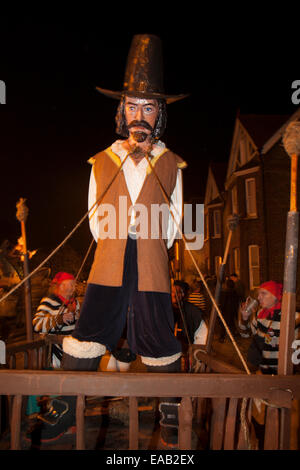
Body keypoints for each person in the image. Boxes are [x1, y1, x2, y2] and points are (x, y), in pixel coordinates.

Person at [35, 34, 189, 447]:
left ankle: (170, 411)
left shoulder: (172, 163)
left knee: (158, 330)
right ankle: (64, 410)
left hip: (153, 260)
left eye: (150, 107)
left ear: (160, 115)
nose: (141, 114)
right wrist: (121, 233)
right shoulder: (102, 160)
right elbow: (93, 218)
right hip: (110, 256)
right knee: (91, 328)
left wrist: (149, 234)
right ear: (122, 111)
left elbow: (175, 224)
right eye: (134, 106)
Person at [241, 280, 300, 375]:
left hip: (285, 374)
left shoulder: (293, 317)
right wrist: (245, 318)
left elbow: (297, 348)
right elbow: (245, 334)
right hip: (263, 371)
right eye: (259, 294)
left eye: (263, 293)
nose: (259, 297)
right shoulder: (260, 314)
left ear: (275, 296)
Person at [33, 271, 80, 368]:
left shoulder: (75, 302)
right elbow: (37, 325)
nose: (74, 288)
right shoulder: (48, 301)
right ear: (61, 286)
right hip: (56, 354)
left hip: (74, 353)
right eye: (71, 284)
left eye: (74, 284)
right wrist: (59, 319)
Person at [172, 280, 208, 349]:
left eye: (177, 292)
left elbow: (202, 337)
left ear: (183, 294)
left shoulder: (194, 312)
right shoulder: (164, 309)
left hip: (186, 351)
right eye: (172, 292)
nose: (174, 295)